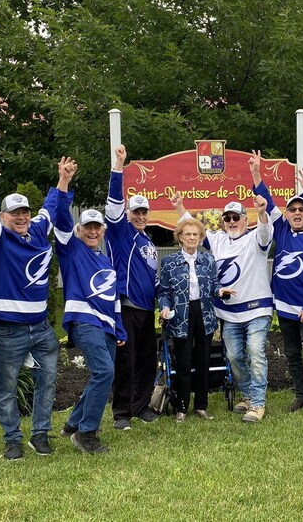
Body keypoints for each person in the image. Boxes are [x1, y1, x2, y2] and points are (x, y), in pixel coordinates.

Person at [0, 149, 60, 460]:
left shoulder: (36, 230)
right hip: (7, 329)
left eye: (25, 211)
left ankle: (40, 434)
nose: (22, 216)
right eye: (15, 213)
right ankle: (12, 438)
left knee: (48, 380)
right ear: (3, 216)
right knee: (8, 387)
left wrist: (62, 180)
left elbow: (49, 209)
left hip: (40, 326)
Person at [172, 181, 273, 423]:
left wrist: (261, 212)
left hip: (257, 308)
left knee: (256, 353)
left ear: (244, 220)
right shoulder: (217, 240)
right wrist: (180, 208)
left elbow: (265, 231)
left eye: (236, 217)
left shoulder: (255, 240)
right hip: (229, 313)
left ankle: (258, 404)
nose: (231, 221)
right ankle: (248, 396)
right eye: (227, 218)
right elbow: (193, 230)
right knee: (236, 358)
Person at [52, 157, 127, 454]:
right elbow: (59, 216)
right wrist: (64, 182)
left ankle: (74, 422)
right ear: (80, 230)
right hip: (84, 320)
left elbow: (113, 298)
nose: (93, 232)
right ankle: (86, 434)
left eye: (98, 227)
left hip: (107, 325)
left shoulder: (105, 259)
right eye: (88, 228)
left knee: (103, 374)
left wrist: (119, 328)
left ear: (103, 230)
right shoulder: (72, 250)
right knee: (105, 373)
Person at [252, 153, 303, 422]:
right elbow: (266, 200)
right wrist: (256, 174)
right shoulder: (282, 229)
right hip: (285, 309)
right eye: (292, 210)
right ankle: (301, 395)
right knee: (292, 355)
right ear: (287, 214)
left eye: (301, 210)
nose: (296, 213)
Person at [157, 215, 235, 422]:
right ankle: (181, 407)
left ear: (200, 238)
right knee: (182, 363)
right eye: (187, 234)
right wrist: (164, 307)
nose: (192, 238)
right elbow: (163, 291)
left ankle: (201, 406)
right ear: (180, 237)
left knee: (203, 361)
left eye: (195, 234)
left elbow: (213, 285)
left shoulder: (208, 260)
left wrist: (220, 291)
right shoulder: (169, 262)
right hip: (181, 316)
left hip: (205, 314)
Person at [105, 144, 160, 430]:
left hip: (146, 309)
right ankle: (122, 413)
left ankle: (141, 406)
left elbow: (152, 277)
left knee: (146, 360)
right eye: (136, 212)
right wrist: (118, 168)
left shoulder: (147, 241)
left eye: (144, 212)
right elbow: (113, 206)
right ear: (128, 213)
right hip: (125, 306)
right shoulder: (121, 234)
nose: (140, 216)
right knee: (125, 360)